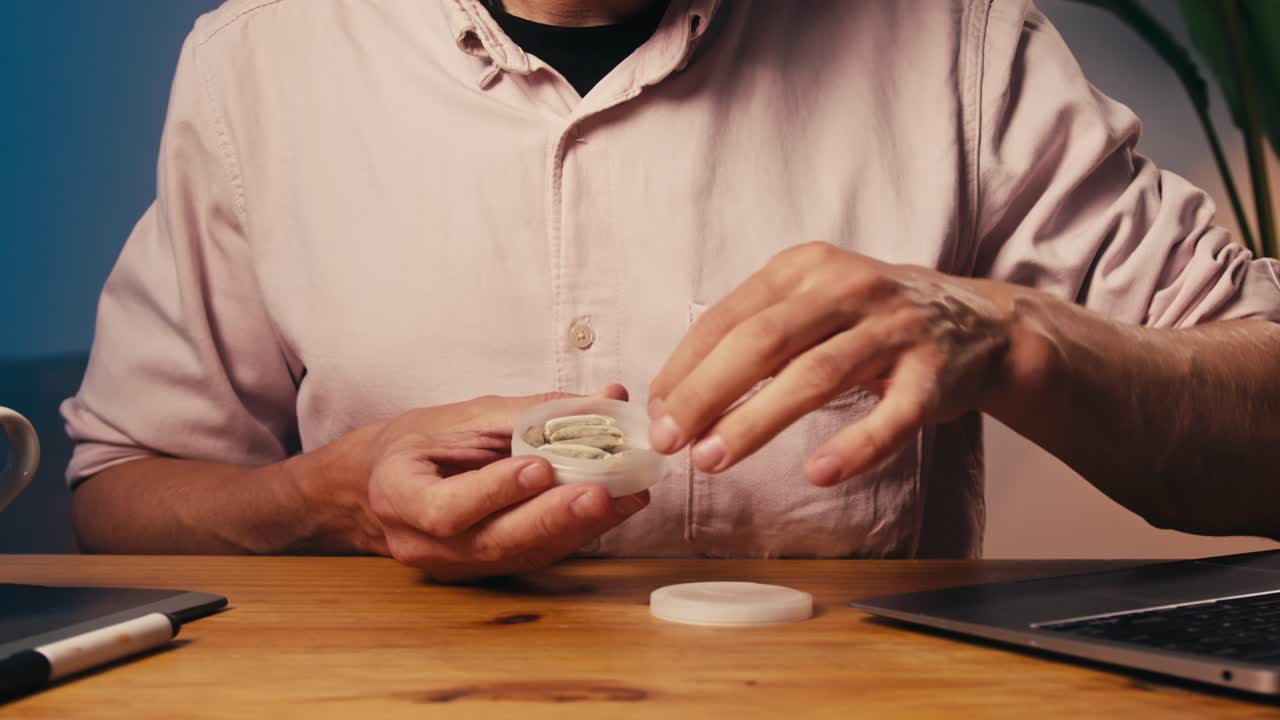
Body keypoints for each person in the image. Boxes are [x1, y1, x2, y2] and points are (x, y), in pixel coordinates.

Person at [63, 0, 1280, 581]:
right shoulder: (260, 60)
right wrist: (329, 498)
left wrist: (1017, 336)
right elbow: (121, 497)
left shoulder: (955, 37)